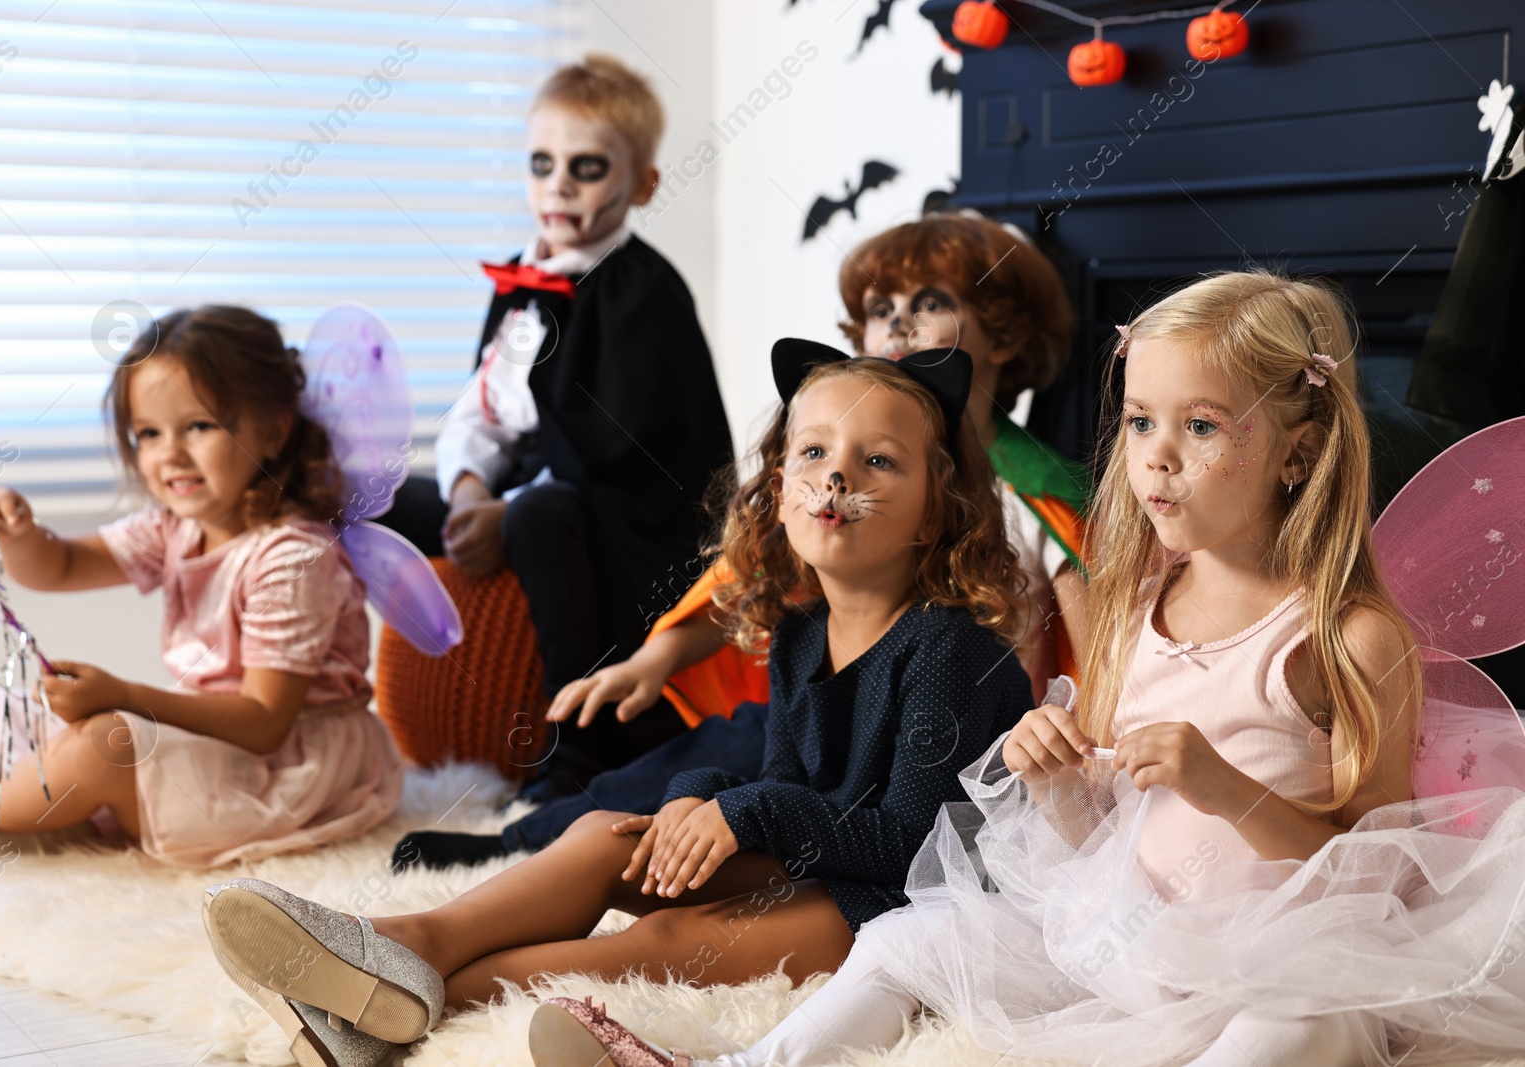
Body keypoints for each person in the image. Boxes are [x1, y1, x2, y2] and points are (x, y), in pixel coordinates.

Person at [533, 269, 1525, 1067]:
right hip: (1133, 930)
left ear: (1297, 453)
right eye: (1139, 422)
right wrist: (1061, 783)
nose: (1156, 459)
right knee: (908, 939)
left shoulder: (1348, 637)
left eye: (1202, 425)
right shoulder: (1139, 610)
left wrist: (1221, 786)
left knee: (1298, 1033)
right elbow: (1105, 823)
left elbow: (1382, 871)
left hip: (1285, 955)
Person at [200, 344, 1035, 1065]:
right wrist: (695, 801)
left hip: (905, 908)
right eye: (813, 451)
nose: (837, 476)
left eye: (878, 460)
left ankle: (401, 998)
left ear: (936, 513)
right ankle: (410, 942)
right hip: (826, 868)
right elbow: (785, 777)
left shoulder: (948, 649)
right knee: (607, 835)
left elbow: (913, 847)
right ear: (780, 487)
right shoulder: (799, 634)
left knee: (657, 943)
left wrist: (750, 812)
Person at [395, 212, 1090, 871]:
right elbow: (757, 573)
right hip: (828, 721)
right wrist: (658, 658)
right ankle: (527, 841)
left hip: (935, 742)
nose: (899, 321)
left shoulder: (1033, 493)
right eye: (881, 308)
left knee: (763, 789)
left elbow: (1102, 645)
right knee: (694, 759)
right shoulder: (837, 470)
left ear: (1002, 337)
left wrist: (1087, 747)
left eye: (928, 301)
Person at [0, 306, 402, 872]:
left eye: (201, 426)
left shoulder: (293, 556)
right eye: (149, 434)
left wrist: (124, 697)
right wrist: (21, 533)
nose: (170, 454)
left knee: (106, 739)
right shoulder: (175, 527)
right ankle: (37, 820)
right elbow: (56, 567)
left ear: (273, 432)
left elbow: (265, 722)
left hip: (286, 762)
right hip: (213, 737)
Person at [376, 53, 733, 790]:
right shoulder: (523, 277)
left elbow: (618, 448)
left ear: (641, 184)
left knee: (539, 513)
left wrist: (504, 509)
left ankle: (581, 742)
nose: (558, 185)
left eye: (588, 166)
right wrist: (472, 487)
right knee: (381, 496)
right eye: (542, 163)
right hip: (535, 484)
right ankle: (359, 710)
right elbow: (485, 406)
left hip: (636, 516)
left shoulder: (642, 292)